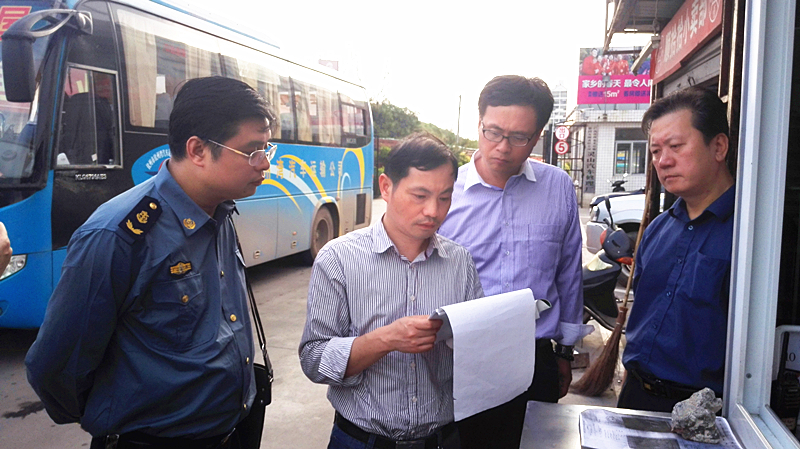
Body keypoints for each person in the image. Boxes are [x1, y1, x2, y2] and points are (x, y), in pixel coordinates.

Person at [26, 76, 275, 449]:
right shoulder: (119, 234)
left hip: (233, 432)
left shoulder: (220, 212)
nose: (264, 163)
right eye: (252, 150)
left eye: (267, 148)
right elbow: (55, 365)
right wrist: (121, 424)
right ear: (198, 150)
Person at [299, 133, 483, 449]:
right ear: (386, 187)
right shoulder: (339, 259)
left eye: (444, 197)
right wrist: (386, 339)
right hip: (360, 441)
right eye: (420, 195)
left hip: (441, 439)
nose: (433, 211)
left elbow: (479, 351)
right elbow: (314, 359)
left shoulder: (459, 262)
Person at [438, 75, 587, 449]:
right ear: (479, 123)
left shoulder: (557, 187)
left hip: (535, 358)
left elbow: (569, 272)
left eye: (519, 137)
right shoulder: (445, 192)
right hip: (462, 358)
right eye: (492, 132)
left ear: (537, 137)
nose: (502, 147)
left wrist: (565, 351)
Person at [618, 87, 735, 413]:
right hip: (636, 399)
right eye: (656, 151)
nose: (663, 161)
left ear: (718, 146)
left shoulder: (749, 234)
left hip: (706, 412)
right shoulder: (658, 229)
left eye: (676, 146)